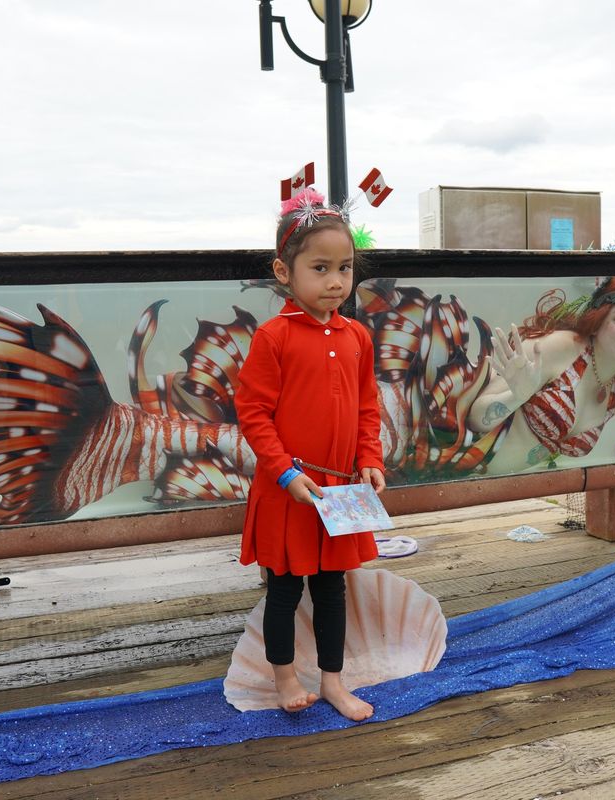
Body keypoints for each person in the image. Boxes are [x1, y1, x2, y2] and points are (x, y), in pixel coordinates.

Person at [234, 189, 386, 721]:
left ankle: (333, 682)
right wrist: (283, 473)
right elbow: (252, 412)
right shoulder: (272, 338)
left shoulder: (358, 338)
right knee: (283, 589)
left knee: (332, 590)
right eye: (320, 268)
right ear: (284, 271)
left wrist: (371, 458)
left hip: (340, 492)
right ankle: (283, 678)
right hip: (290, 491)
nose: (335, 281)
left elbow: (369, 405)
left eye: (344, 268)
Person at [466, 276, 615, 475]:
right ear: (597, 322)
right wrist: (516, 396)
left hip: (501, 492)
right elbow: (476, 419)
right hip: (455, 473)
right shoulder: (562, 348)